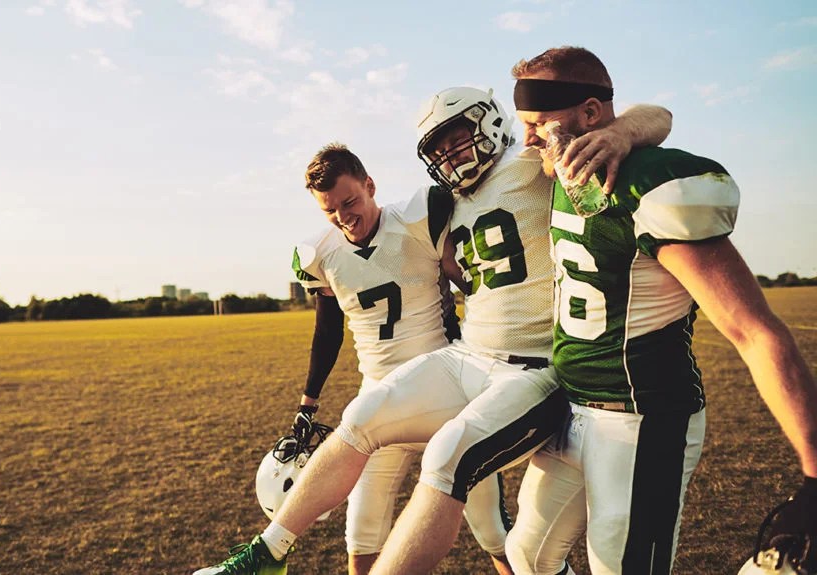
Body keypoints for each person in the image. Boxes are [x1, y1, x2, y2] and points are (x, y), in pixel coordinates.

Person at [193, 88, 671, 575]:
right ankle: (265, 556)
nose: (452, 159)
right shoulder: (442, 202)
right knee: (361, 415)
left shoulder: (532, 159)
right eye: (439, 152)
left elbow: (657, 115)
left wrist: (616, 132)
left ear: (489, 124)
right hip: (469, 356)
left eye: (458, 142)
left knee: (451, 463)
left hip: (535, 367)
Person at [503, 45, 817, 575]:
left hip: (642, 419)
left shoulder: (647, 181)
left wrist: (814, 474)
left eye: (539, 123)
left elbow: (753, 331)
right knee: (527, 556)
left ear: (591, 116)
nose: (528, 139)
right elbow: (655, 113)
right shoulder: (558, 171)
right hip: (573, 408)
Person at [284, 143, 513, 574]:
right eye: (330, 209)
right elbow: (328, 331)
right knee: (361, 536)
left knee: (493, 531)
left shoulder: (419, 218)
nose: (342, 216)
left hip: (448, 392)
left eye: (349, 201)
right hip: (380, 401)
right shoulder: (320, 254)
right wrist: (308, 402)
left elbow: (469, 276)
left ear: (370, 185)